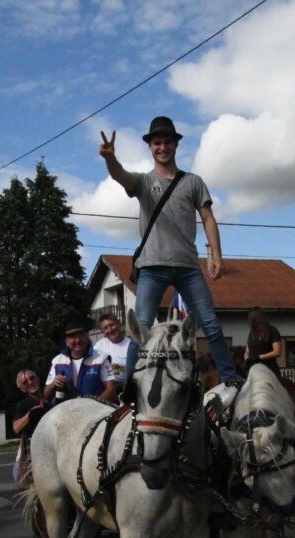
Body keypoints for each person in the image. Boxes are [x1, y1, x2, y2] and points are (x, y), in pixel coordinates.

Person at [99, 116, 240, 408]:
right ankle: (129, 392)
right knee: (141, 328)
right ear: (151, 147)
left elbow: (209, 218)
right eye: (157, 143)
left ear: (175, 145)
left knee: (211, 324)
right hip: (152, 267)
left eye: (167, 142)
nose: (162, 147)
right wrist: (110, 159)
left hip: (188, 267)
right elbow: (120, 176)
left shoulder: (193, 182)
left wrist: (216, 254)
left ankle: (232, 381)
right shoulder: (144, 181)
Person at [44, 322, 118, 404]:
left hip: (94, 413)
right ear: (67, 342)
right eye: (73, 337)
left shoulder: (101, 358)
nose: (78, 340)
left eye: (81, 336)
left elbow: (111, 390)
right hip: (64, 412)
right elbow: (46, 395)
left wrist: (93, 407)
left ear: (87, 338)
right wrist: (53, 384)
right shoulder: (57, 361)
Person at [12, 369, 48, 487]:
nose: (30, 382)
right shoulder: (23, 405)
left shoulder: (50, 400)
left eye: (32, 378)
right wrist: (30, 414)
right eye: (25, 382)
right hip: (34, 454)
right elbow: (16, 428)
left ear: (38, 379)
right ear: (23, 388)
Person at [92, 312, 132, 391]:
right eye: (105, 328)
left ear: (119, 324)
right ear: (103, 332)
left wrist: (117, 369)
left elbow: (136, 370)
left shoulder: (131, 345)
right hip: (104, 388)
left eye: (112, 325)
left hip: (126, 388)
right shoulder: (100, 345)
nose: (110, 330)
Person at [244, 307, 282, 377]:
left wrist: (259, 357)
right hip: (252, 369)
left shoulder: (272, 330)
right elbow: (247, 351)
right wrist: (246, 358)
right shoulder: (252, 333)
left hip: (269, 369)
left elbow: (277, 351)